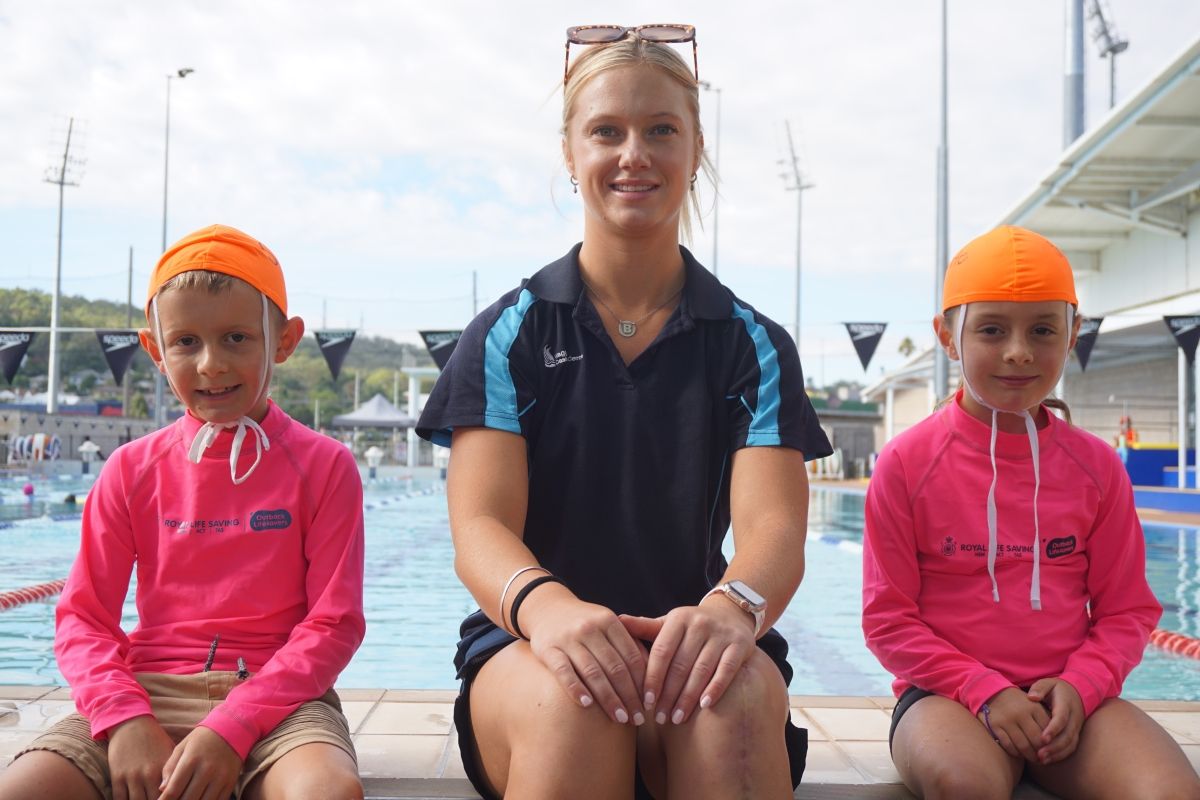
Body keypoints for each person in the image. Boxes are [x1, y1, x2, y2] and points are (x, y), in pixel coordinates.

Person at [416, 25, 831, 800]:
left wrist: (730, 609)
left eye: (661, 131)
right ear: (570, 154)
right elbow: (479, 528)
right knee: (577, 703)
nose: (633, 153)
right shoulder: (509, 334)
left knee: (732, 700)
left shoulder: (752, 344)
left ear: (695, 151)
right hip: (530, 645)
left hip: (698, 638)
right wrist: (551, 613)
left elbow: (775, 530)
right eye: (607, 131)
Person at [0, 225, 367, 800]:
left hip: (281, 696)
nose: (211, 364)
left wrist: (234, 725)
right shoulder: (130, 470)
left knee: (325, 791)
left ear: (286, 341)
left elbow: (332, 624)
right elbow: (84, 619)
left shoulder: (324, 466)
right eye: (187, 342)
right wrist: (123, 719)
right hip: (145, 691)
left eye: (238, 338)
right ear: (154, 349)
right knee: (24, 788)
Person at [862, 225, 1200, 799]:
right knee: (965, 783)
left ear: (1071, 337)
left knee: (1168, 789)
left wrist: (1083, 685)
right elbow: (888, 621)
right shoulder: (907, 464)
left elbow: (1128, 610)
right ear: (948, 336)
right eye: (992, 329)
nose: (1019, 351)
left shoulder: (1095, 467)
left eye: (1043, 330)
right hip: (946, 698)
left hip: (1070, 700)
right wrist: (983, 688)